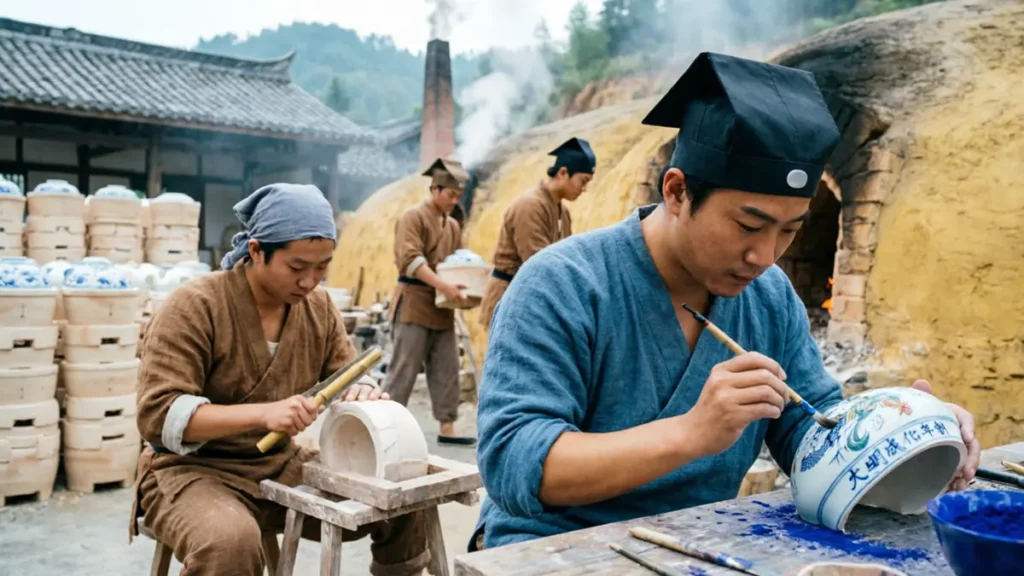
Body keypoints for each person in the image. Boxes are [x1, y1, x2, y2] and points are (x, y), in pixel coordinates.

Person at [468, 52, 982, 550]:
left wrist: (902, 434)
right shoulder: (562, 284)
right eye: (748, 225)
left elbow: (809, 427)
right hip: (553, 547)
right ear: (677, 191)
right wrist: (691, 433)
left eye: (789, 230)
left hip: (698, 541)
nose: (764, 256)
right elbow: (514, 464)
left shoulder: (770, 297)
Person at [131, 183, 430, 576]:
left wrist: (363, 390)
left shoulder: (318, 308)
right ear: (256, 251)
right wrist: (264, 414)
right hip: (191, 472)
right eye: (297, 267)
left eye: (322, 267)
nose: (310, 281)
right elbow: (158, 415)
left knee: (402, 491)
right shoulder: (194, 305)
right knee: (230, 544)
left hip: (277, 465)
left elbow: (347, 375)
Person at [381, 158, 476, 446]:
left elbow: (457, 263)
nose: (454, 201)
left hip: (442, 306)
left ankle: (447, 427)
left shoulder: (452, 225)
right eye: (450, 195)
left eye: (458, 196)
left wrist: (466, 290)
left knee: (447, 368)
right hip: (414, 302)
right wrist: (444, 285)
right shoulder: (413, 216)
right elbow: (411, 261)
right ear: (434, 189)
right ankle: (386, 427)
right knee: (404, 368)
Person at [477, 137, 596, 330]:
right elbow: (537, 262)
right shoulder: (530, 205)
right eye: (583, 181)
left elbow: (566, 257)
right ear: (563, 173)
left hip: (532, 297)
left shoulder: (563, 212)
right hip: (509, 297)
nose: (584, 189)